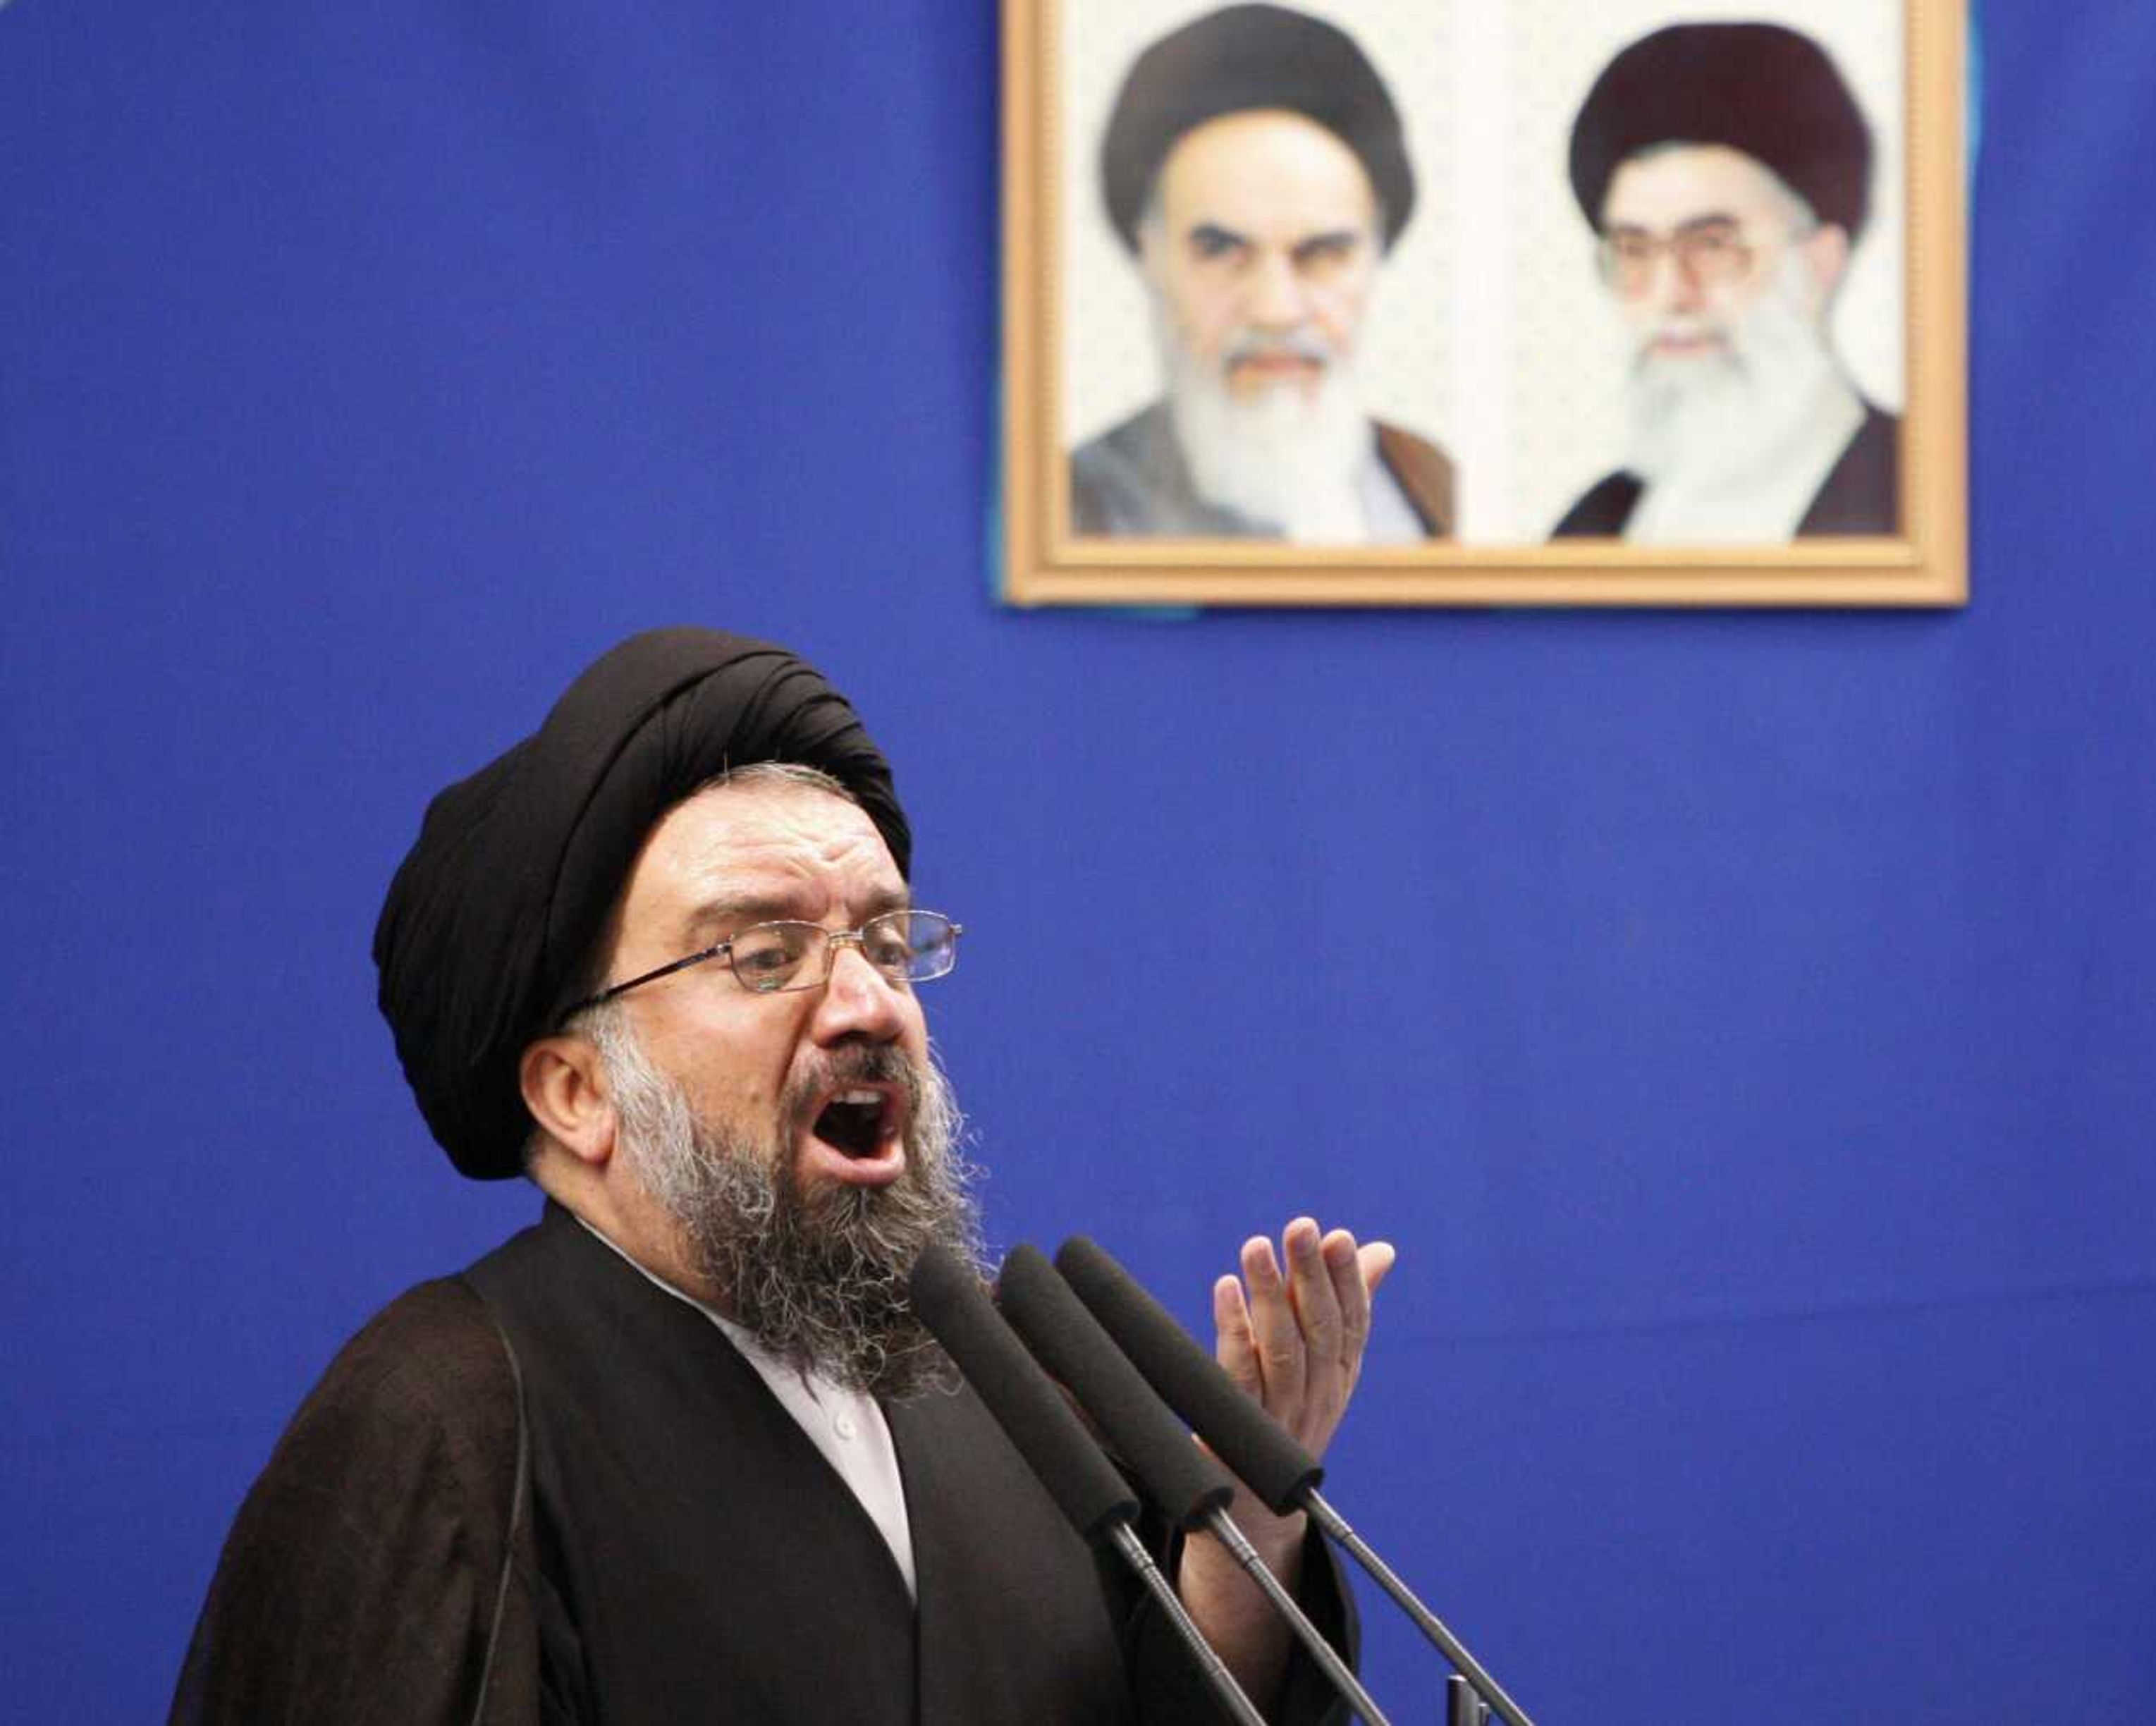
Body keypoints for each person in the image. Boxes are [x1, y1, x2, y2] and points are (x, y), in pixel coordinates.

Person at [171, 627, 1389, 1724]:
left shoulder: (999, 1390)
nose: (868, 1002)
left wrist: (1240, 1555)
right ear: (575, 1090)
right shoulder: (443, 1420)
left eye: (886, 939)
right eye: (766, 954)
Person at [1072, 3, 1454, 542]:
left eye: (1322, 254)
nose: (1276, 311)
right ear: (1150, 255)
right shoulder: (1069, 511)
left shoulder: (1430, 485)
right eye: (1223, 252)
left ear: (1375, 254)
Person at [1550, 22, 1900, 544]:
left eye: (1712, 246)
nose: (1671, 295)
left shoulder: (1920, 493)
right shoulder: (1596, 525)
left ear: (1821, 261)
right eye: (1634, 250)